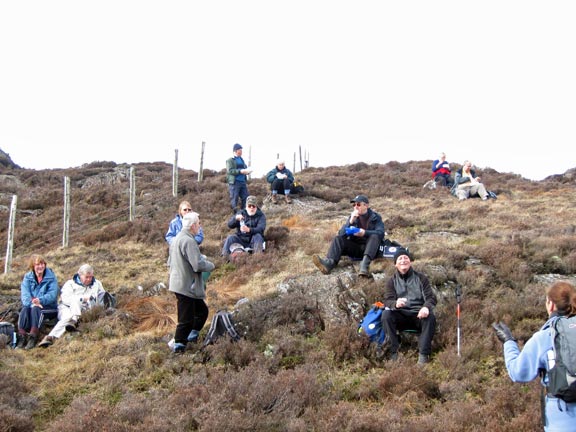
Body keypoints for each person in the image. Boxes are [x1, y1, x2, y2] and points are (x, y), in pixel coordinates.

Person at [492, 281, 576, 431]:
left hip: (563, 418)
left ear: (550, 304)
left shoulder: (545, 337)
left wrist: (508, 341)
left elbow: (518, 372)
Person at [167, 211, 215, 353]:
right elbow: (197, 265)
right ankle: (179, 347)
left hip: (180, 284)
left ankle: (190, 338)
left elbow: (169, 262)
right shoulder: (188, 241)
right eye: (199, 223)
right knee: (185, 320)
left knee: (201, 311)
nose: (200, 226)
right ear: (193, 226)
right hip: (186, 286)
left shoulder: (176, 239)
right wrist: (210, 265)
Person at [381, 248, 437, 364]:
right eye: (400, 259)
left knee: (430, 317)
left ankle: (423, 355)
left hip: (418, 315)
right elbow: (387, 300)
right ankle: (393, 352)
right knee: (386, 315)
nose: (403, 260)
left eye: (406, 258)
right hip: (401, 315)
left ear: (410, 261)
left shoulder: (421, 278)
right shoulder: (391, 281)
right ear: (395, 264)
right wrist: (395, 304)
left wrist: (425, 307)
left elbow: (431, 298)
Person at [312, 194, 384, 277]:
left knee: (374, 236)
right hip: (356, 248)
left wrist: (364, 232)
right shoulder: (353, 217)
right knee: (338, 239)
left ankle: (364, 266)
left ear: (366, 206)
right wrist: (350, 221)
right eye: (354, 205)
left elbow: (380, 233)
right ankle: (329, 264)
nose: (355, 207)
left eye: (358, 204)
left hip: (372, 249)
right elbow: (341, 234)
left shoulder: (375, 217)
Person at [38, 264, 109, 348]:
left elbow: (102, 297)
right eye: (86, 277)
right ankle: (71, 322)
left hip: (86, 309)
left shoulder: (97, 284)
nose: (89, 279)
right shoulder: (70, 284)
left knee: (72, 312)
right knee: (68, 315)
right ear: (80, 275)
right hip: (66, 308)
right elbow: (65, 299)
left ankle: (50, 337)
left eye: (90, 277)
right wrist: (82, 299)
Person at [16, 254, 59, 349]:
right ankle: (22, 336)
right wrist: (33, 302)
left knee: (36, 309)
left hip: (49, 307)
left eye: (42, 263)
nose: (40, 266)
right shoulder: (27, 278)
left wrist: (40, 300)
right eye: (37, 264)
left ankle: (33, 336)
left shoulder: (51, 277)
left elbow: (52, 294)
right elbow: (25, 296)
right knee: (25, 309)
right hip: (33, 305)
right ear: (32, 266)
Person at [226, 143, 252, 212]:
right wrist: (240, 171)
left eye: (241, 150)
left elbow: (245, 168)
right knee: (234, 198)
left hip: (243, 181)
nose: (241, 152)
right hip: (235, 182)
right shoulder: (230, 160)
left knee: (245, 198)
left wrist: (248, 171)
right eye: (239, 150)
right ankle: (235, 215)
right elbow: (230, 171)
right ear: (235, 151)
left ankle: (244, 213)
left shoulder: (241, 159)